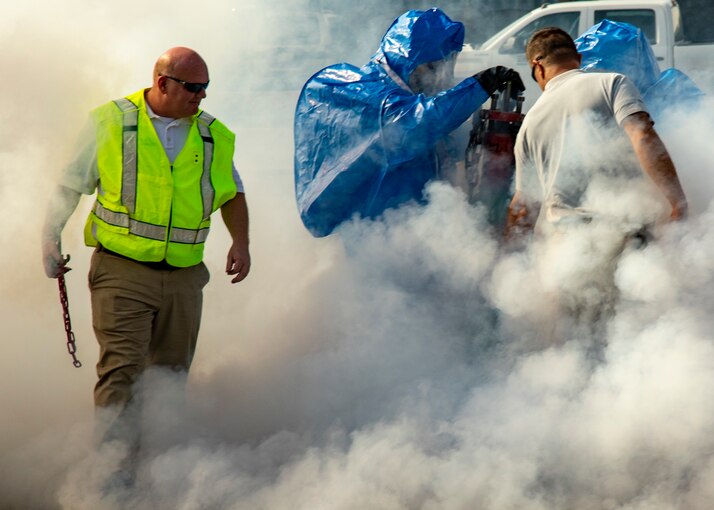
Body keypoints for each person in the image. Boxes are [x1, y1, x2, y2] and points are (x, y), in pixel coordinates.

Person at [41, 47, 250, 468]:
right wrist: (49, 237)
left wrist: (241, 242)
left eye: (206, 88)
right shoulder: (110, 121)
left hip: (185, 277)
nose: (201, 97)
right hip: (121, 270)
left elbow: (233, 192)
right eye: (193, 88)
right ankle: (113, 478)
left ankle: (159, 470)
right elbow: (70, 184)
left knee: (169, 379)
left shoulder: (213, 135)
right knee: (122, 372)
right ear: (163, 83)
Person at [505, 27, 688, 344]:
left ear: (537, 66)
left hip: (569, 250)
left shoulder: (529, 126)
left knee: (579, 346)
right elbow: (642, 135)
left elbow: (524, 208)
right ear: (577, 58)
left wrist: (512, 261)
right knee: (633, 344)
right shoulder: (611, 83)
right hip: (623, 238)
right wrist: (677, 201)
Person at [294, 8, 525, 237]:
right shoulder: (356, 92)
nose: (440, 77)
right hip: (369, 232)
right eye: (434, 67)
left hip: (407, 228)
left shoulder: (411, 99)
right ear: (409, 59)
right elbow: (414, 124)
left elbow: (441, 135)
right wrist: (482, 84)